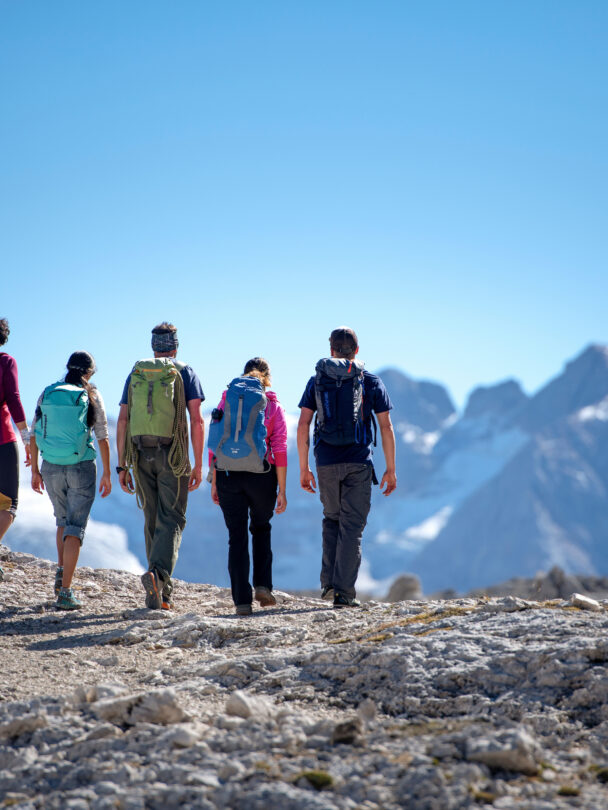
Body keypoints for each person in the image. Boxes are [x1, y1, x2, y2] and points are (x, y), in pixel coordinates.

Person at [297, 327, 397, 608]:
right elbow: (386, 427)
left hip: (326, 462)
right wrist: (391, 468)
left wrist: (304, 468)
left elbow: (303, 423)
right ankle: (343, 594)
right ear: (356, 350)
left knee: (332, 518)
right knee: (352, 527)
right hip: (358, 462)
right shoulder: (371, 381)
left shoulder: (316, 380)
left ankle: (329, 584)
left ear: (331, 350)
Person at [117, 322, 204, 610]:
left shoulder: (138, 372)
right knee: (174, 518)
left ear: (153, 347)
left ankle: (160, 593)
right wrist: (198, 463)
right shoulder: (184, 371)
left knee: (152, 519)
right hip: (173, 454)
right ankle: (158, 576)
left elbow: (123, 419)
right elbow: (196, 419)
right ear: (175, 346)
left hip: (141, 453)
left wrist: (121, 465)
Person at [30, 351, 112, 609]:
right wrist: (108, 473)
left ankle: (60, 571)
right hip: (81, 466)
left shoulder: (48, 392)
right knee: (75, 527)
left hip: (51, 465)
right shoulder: (91, 395)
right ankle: (66, 591)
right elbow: (102, 436)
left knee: (62, 522)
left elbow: (33, 433)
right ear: (89, 372)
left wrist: (34, 469)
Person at [209, 357, 287, 616]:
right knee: (261, 528)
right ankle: (263, 586)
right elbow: (280, 448)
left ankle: (242, 601)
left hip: (228, 473)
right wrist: (283, 490)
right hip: (261, 476)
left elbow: (215, 439)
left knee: (237, 537)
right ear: (267, 379)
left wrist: (214, 480)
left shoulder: (227, 400)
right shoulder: (273, 406)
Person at [0, 318, 31, 579]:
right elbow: (14, 399)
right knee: (9, 503)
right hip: (3, 440)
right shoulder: (5, 362)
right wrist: (27, 439)